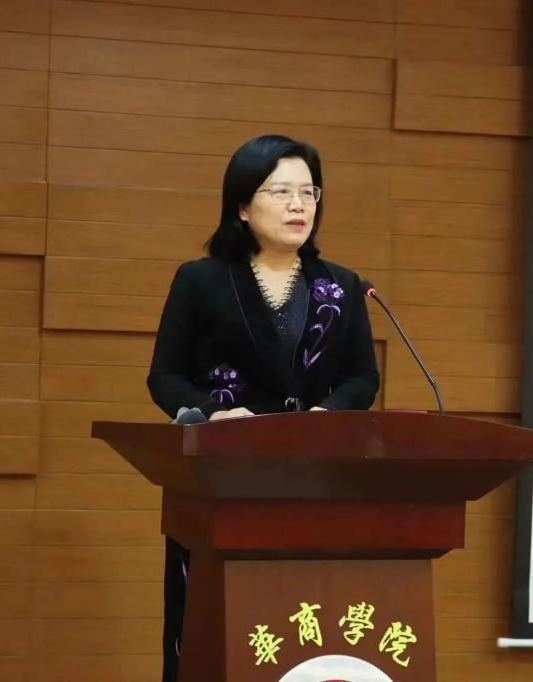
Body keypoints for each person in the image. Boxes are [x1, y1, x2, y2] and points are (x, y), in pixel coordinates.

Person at [146, 134, 380, 681]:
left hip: (313, 481)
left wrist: (328, 416)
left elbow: (362, 377)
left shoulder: (341, 286)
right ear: (243, 206)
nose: (299, 205)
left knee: (299, 624)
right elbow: (165, 376)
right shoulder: (200, 280)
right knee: (219, 629)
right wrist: (212, 413)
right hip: (222, 481)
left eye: (308, 192)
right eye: (281, 192)